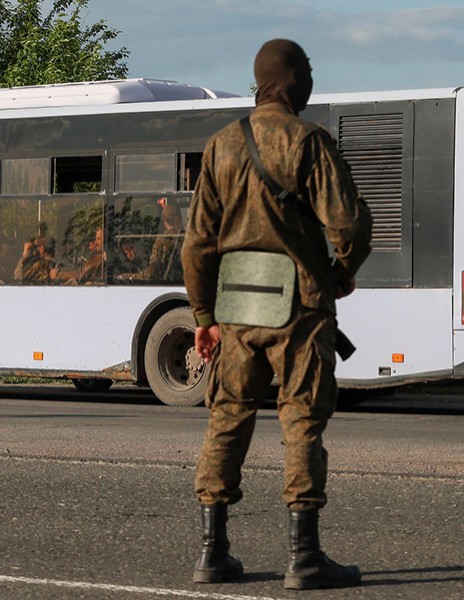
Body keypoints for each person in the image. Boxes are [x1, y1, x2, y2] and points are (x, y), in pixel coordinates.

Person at [180, 39, 372, 590]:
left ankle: (212, 555)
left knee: (226, 419)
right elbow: (351, 227)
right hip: (300, 310)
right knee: (302, 422)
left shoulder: (220, 146)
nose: (311, 78)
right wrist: (341, 271)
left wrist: (203, 314)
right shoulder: (309, 142)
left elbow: (198, 244)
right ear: (290, 80)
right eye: (307, 70)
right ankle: (304, 557)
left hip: (237, 312)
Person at [120, 200, 184, 282]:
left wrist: (128, 277)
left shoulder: (161, 241)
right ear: (179, 218)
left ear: (163, 219)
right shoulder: (189, 238)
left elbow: (151, 273)